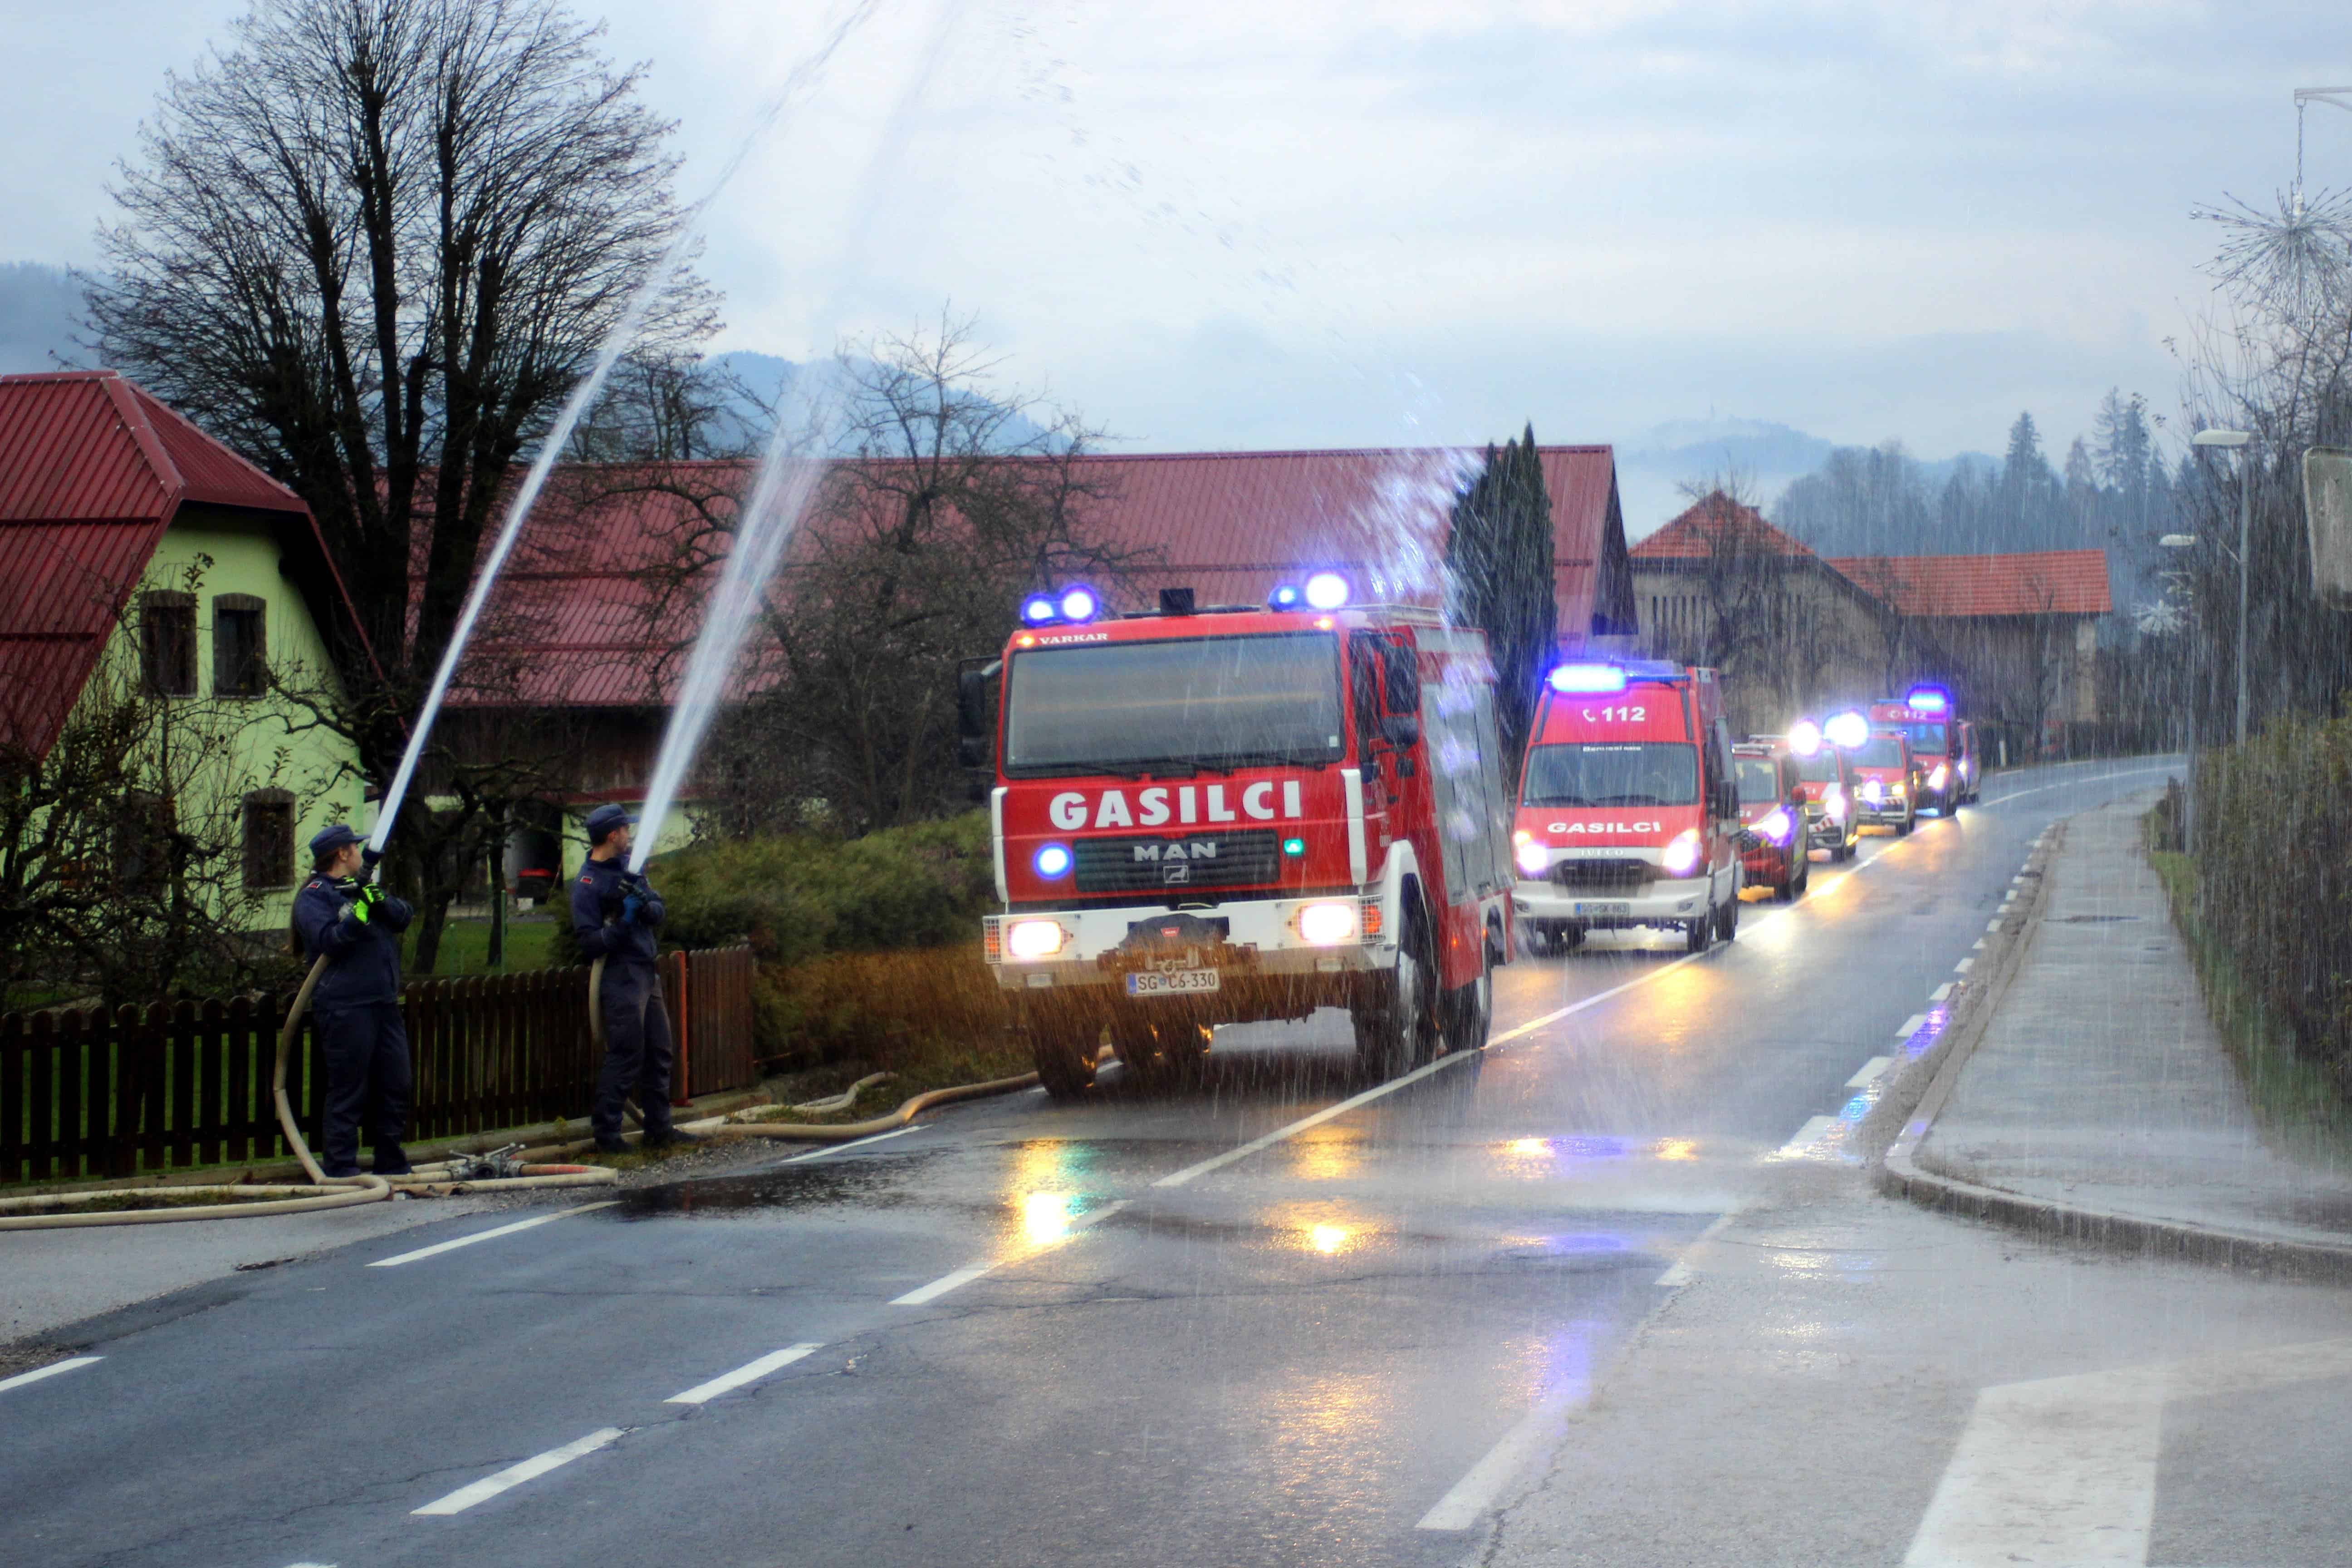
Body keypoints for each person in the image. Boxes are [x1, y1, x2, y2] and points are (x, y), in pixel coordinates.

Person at [571, 804, 697, 1156]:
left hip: (646, 970)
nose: (631, 835)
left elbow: (658, 909)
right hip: (620, 975)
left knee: (659, 1051)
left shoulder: (632, 868)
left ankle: (659, 1130)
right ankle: (607, 1136)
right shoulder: (587, 884)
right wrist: (623, 923)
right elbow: (589, 943)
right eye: (627, 830)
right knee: (626, 1054)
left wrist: (645, 907)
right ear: (614, 835)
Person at [290, 824, 415, 1178]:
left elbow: (403, 917)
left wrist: (375, 897)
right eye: (355, 848)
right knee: (349, 1089)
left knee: (396, 1084)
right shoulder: (315, 897)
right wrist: (359, 910)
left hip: (383, 1002)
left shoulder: (358, 887)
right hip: (346, 1007)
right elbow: (332, 942)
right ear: (343, 854)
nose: (360, 853)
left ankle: (391, 1160)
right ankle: (342, 1167)